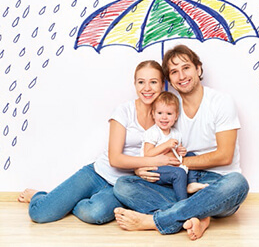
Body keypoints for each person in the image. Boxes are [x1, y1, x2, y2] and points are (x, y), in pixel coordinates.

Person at [113, 45, 249, 240]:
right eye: (174, 72)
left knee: (238, 184)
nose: (181, 76)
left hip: (217, 184)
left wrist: (180, 164)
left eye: (186, 68)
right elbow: (153, 148)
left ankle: (155, 221)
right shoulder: (168, 108)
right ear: (170, 80)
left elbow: (225, 156)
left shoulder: (221, 102)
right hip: (178, 184)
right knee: (123, 185)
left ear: (198, 69)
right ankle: (200, 217)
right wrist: (142, 167)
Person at [18, 60, 180, 224]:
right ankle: (40, 195)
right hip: (97, 173)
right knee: (40, 213)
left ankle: (68, 202)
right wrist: (152, 161)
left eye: (153, 82)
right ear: (135, 84)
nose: (147, 88)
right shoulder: (124, 111)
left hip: (122, 186)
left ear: (162, 84)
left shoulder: (166, 117)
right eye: (141, 82)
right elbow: (114, 159)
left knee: (95, 213)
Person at [142, 91, 208, 200]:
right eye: (160, 113)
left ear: (176, 116)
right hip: (155, 168)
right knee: (179, 173)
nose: (164, 117)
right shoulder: (153, 132)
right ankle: (183, 202)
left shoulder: (176, 133)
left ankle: (191, 183)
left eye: (169, 114)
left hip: (171, 165)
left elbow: (177, 154)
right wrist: (166, 145)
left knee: (192, 155)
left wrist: (180, 151)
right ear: (153, 114)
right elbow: (148, 154)